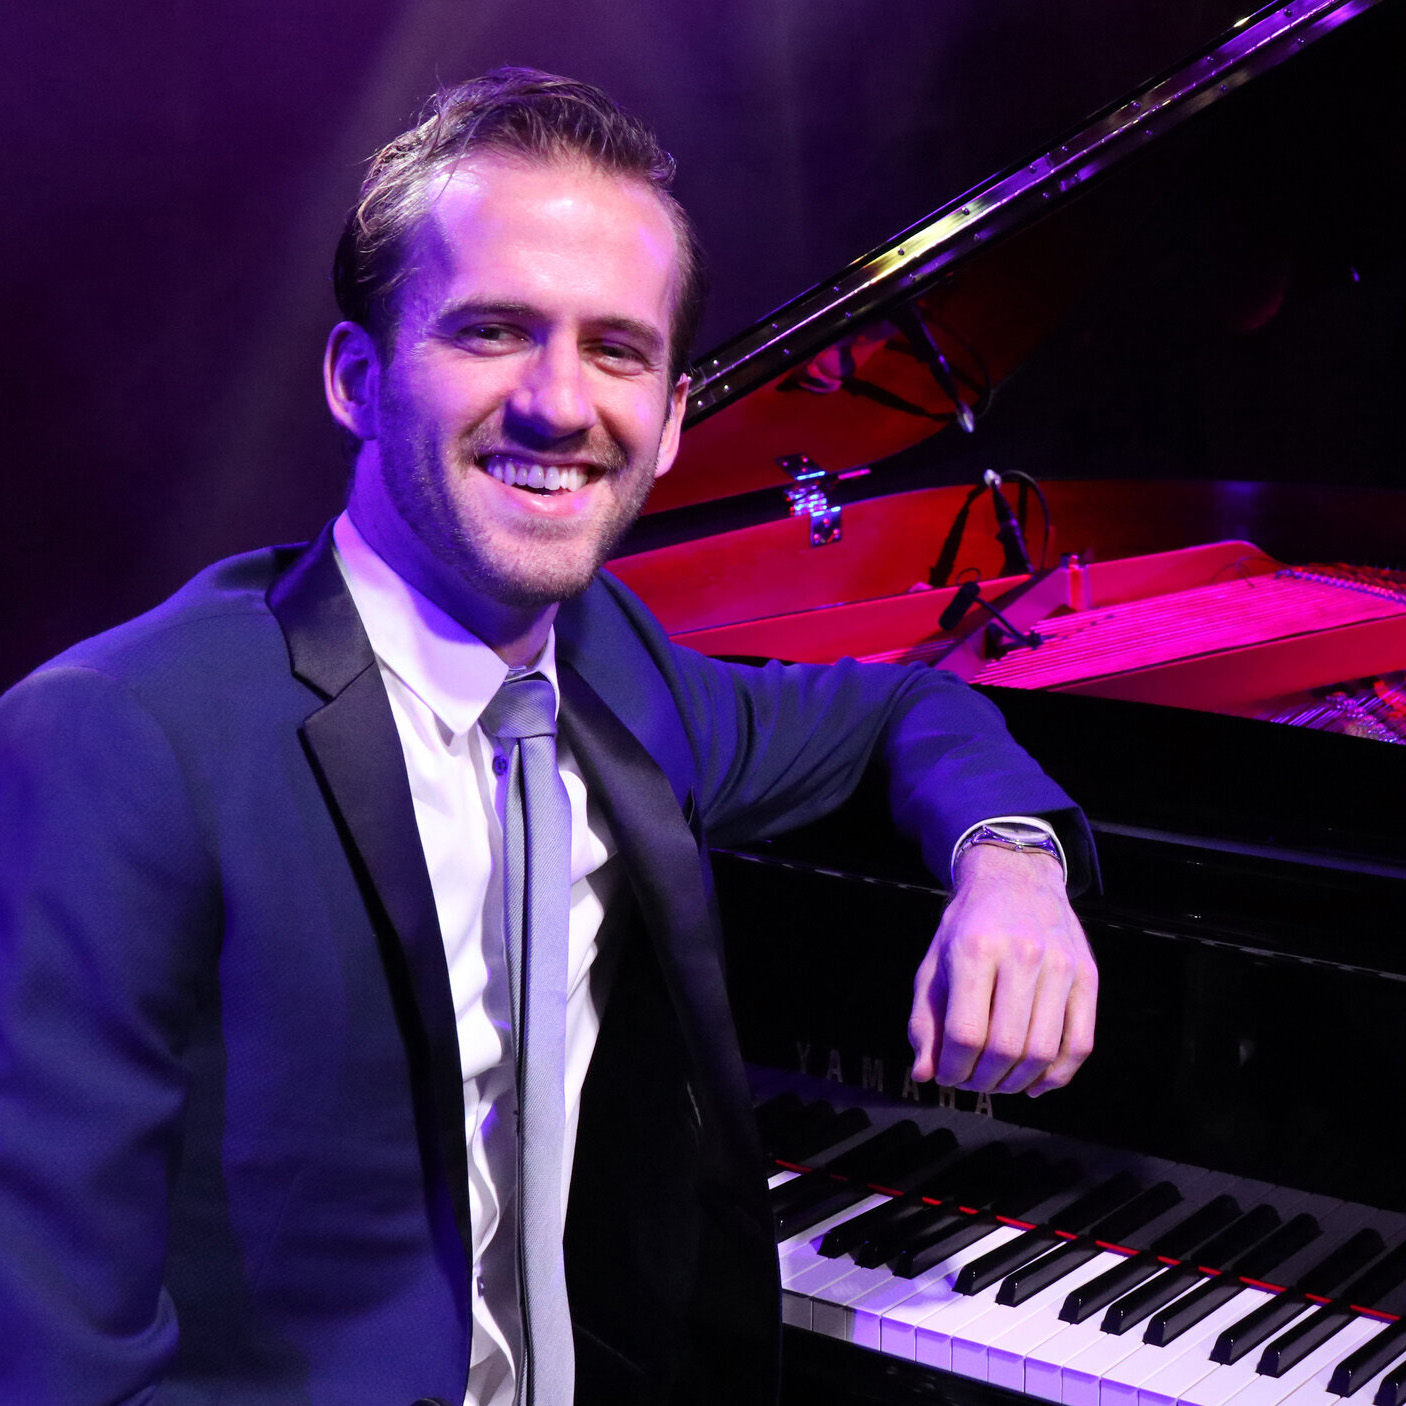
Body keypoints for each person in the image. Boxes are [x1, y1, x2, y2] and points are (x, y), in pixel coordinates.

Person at [0, 68, 1096, 1406]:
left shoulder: (619, 668)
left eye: (616, 350)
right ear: (357, 377)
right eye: (492, 331)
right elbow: (53, 1353)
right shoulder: (118, 738)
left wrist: (1011, 858)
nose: (559, 404)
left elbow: (904, 705)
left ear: (677, 418)